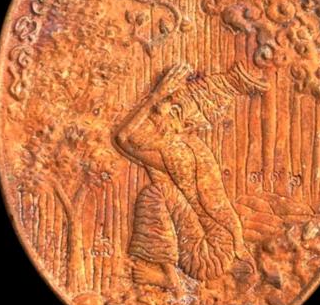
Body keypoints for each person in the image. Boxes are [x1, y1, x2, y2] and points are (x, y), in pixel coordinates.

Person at [114, 61, 267, 291]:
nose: (158, 110)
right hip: (217, 246)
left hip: (205, 257)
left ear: (179, 116)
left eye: (168, 102)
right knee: (166, 192)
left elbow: (123, 138)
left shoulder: (178, 153)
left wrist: (155, 96)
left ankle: (169, 277)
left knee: (157, 194)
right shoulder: (190, 146)